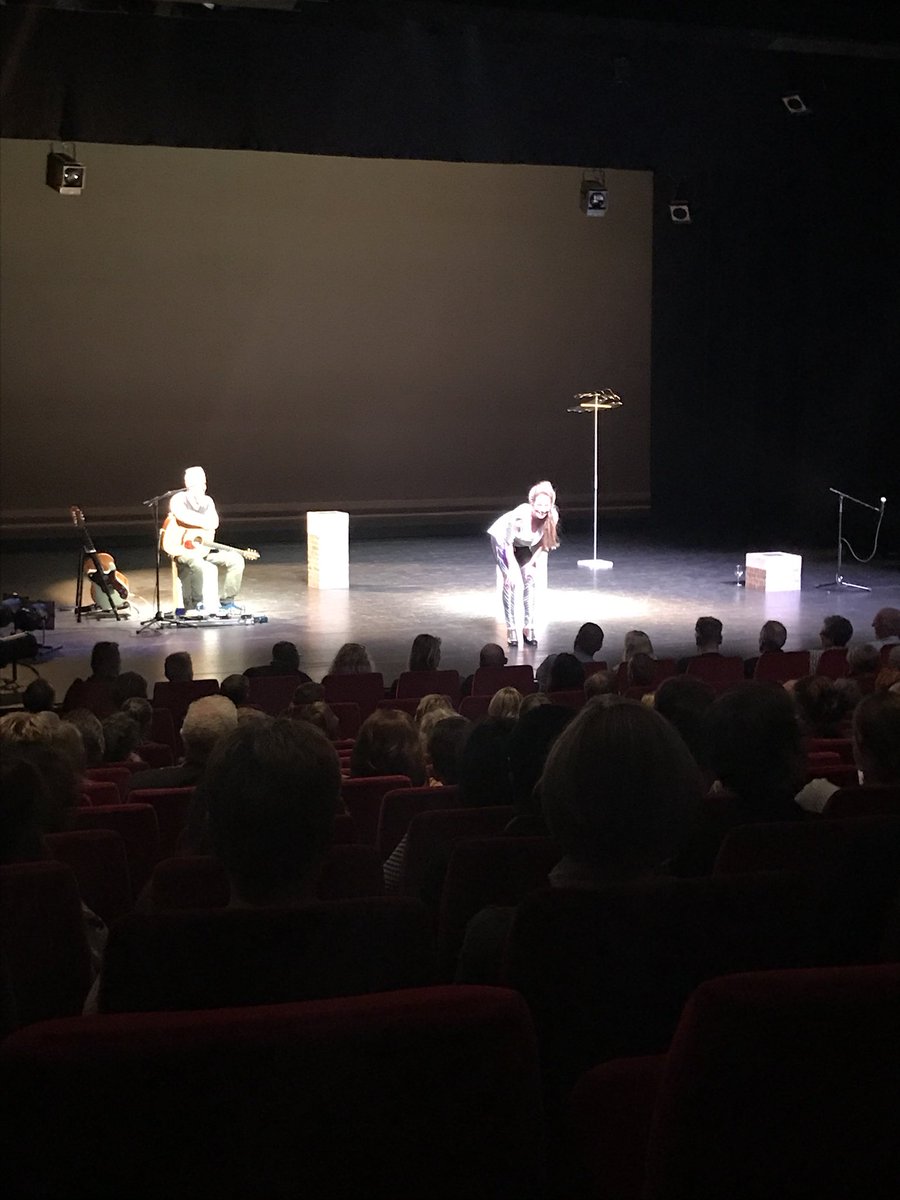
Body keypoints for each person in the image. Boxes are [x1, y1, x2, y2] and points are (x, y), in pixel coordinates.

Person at [487, 480, 559, 648]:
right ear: (531, 503)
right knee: (509, 583)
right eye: (538, 505)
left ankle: (528, 626)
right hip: (503, 541)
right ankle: (511, 628)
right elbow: (507, 545)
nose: (542, 509)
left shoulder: (552, 516)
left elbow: (545, 543)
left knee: (530, 580)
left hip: (523, 544)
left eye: (545, 506)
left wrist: (532, 565)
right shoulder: (519, 517)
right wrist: (509, 572)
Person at [166, 466, 245, 615]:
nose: (202, 487)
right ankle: (195, 604)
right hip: (182, 549)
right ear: (188, 485)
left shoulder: (208, 501)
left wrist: (198, 524)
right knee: (197, 564)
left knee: (236, 559)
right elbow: (182, 516)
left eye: (203, 483)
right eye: (198, 483)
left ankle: (228, 601)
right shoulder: (178, 499)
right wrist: (203, 522)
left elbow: (214, 523)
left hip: (203, 549)